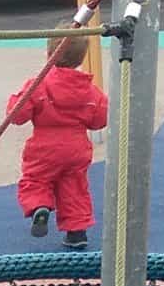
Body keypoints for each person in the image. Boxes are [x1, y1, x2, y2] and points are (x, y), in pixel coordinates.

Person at [9, 34, 109, 249]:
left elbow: (17, 115)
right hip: (76, 148)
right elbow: (100, 119)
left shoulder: (39, 85)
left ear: (49, 54)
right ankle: (77, 232)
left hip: (44, 146)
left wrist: (16, 99)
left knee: (36, 180)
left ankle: (40, 206)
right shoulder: (89, 90)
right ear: (81, 58)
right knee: (75, 188)